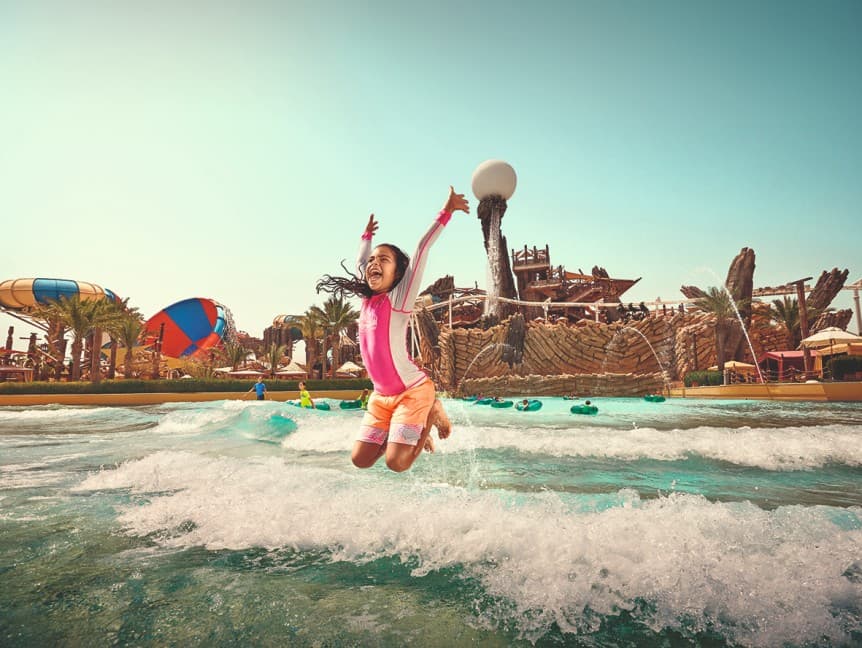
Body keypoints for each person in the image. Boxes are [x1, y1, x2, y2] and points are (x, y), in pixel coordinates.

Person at [316, 186, 466, 472]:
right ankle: (403, 434)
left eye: (383, 260)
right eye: (373, 260)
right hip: (381, 397)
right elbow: (362, 260)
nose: (374, 263)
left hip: (413, 391)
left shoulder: (400, 298)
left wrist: (446, 211)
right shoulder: (366, 298)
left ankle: (430, 416)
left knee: (397, 463)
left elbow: (422, 248)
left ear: (398, 274)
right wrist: (366, 237)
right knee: (360, 460)